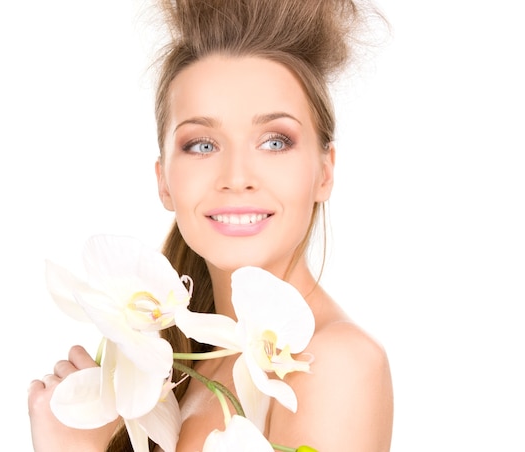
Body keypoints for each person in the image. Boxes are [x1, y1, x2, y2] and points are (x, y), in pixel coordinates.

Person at [28, 0, 394, 450]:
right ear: (163, 181)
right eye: (202, 145)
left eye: (275, 141)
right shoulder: (177, 369)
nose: (237, 178)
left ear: (325, 172)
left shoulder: (338, 364)